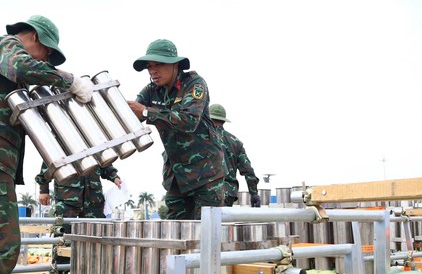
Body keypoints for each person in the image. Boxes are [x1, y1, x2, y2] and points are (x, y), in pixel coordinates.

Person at [0, 15, 94, 274]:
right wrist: (69, 80)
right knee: (2, 246)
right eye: (46, 53)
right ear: (36, 36)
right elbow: (22, 66)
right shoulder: (5, 44)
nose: (43, 60)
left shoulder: (12, 79)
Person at [127, 39, 226, 220]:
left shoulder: (194, 84)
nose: (152, 71)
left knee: (206, 232)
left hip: (206, 175)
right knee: (175, 231)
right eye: (149, 66)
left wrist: (147, 112)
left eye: (159, 64)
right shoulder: (151, 91)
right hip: (177, 176)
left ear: (175, 65)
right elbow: (132, 113)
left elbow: (189, 121)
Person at [35, 164, 122, 273]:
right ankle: (61, 271)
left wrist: (114, 177)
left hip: (93, 201)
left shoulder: (96, 145)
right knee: (63, 240)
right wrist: (44, 190)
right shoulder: (60, 146)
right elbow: (49, 164)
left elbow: (105, 163)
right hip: (67, 199)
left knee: (98, 240)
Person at [209, 104, 261, 207]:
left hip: (205, 193)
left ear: (208, 119)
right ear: (224, 121)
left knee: (202, 222)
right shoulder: (236, 142)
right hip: (227, 193)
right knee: (222, 222)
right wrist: (253, 193)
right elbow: (248, 170)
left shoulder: (200, 138)